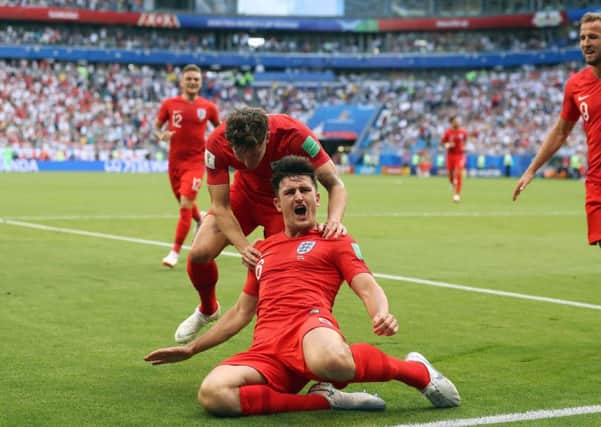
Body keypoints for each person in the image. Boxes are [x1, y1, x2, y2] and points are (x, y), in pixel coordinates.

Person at [144, 156, 461, 416]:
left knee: (333, 361)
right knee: (213, 395)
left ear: (317, 197)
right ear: (278, 204)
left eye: (305, 190)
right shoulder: (262, 249)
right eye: (290, 192)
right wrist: (191, 348)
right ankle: (323, 400)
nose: (298, 196)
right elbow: (242, 312)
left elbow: (367, 285)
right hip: (268, 348)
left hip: (311, 329)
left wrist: (381, 312)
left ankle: (416, 372)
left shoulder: (334, 239)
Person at [173, 107, 348, 344]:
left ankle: (314, 336)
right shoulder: (216, 142)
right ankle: (207, 309)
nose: (246, 162)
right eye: (240, 155)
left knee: (290, 272)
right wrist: (244, 247)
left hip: (283, 202)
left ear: (266, 137)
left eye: (253, 154)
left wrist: (334, 219)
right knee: (199, 253)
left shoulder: (295, 134)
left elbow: (335, 184)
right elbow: (221, 206)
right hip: (243, 195)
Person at [513, 12, 601, 248]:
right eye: (582, 38)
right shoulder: (576, 85)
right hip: (597, 183)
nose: (586, 43)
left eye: (593, 37)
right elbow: (561, 131)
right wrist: (532, 169)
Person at [153, 64, 220, 268]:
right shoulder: (169, 104)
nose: (192, 82)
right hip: (174, 163)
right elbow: (156, 127)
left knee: (184, 206)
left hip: (195, 163)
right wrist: (160, 135)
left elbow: (219, 130)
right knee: (185, 203)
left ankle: (174, 252)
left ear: (200, 84)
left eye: (196, 80)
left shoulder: (208, 107)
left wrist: (216, 148)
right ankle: (200, 218)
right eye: (189, 79)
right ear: (182, 81)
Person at [441, 116, 468, 202]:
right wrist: (448, 145)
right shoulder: (448, 132)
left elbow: (466, 140)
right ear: (452, 122)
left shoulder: (463, 132)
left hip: (459, 155)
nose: (458, 123)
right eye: (456, 121)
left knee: (459, 172)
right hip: (450, 155)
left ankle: (457, 195)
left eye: (458, 121)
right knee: (450, 174)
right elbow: (442, 143)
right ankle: (452, 183)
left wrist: (464, 147)